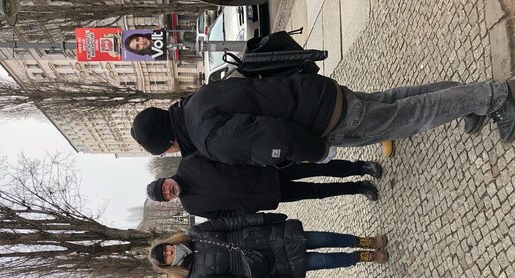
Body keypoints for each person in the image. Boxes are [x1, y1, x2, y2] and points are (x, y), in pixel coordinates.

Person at [130, 76, 515, 167]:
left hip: (328, 120)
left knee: (412, 115)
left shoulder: (208, 136)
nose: (174, 153)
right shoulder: (198, 99)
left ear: (168, 142)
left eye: (167, 151)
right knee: (398, 100)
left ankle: (496, 96)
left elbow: (275, 139)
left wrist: (318, 152)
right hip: (318, 93)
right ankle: (471, 101)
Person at [147, 212, 388, 278]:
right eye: (166, 258)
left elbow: (233, 222)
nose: (169, 253)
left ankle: (364, 241)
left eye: (165, 250)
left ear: (169, 243)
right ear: (169, 266)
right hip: (266, 265)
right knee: (322, 261)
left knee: (322, 238)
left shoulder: (195, 233)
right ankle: (361, 257)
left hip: (267, 237)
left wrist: (263, 218)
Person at [146, 155, 383, 219]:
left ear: (165, 179)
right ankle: (358, 187)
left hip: (269, 170)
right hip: (266, 197)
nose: (168, 192)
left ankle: (360, 167)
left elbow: (226, 155)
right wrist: (246, 208)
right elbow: (224, 215)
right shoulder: (191, 206)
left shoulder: (189, 162)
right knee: (316, 192)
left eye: (164, 187)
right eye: (165, 196)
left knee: (317, 168)